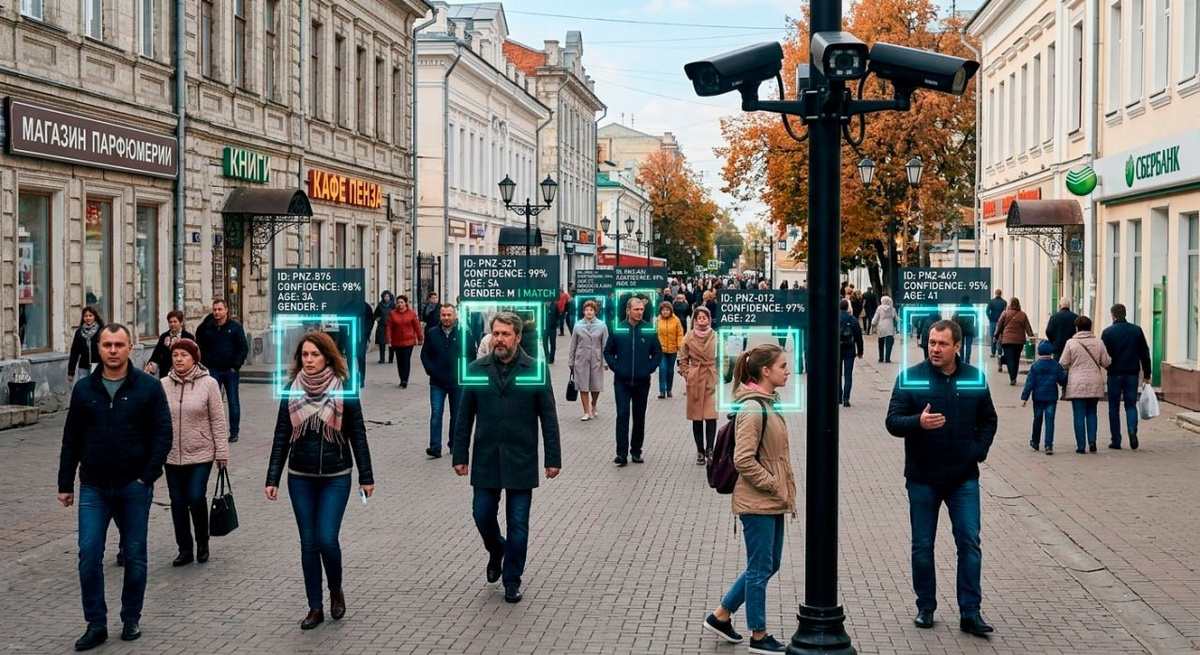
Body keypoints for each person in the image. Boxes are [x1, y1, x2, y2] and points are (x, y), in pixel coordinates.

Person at [57, 323, 173, 651]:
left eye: (118, 345)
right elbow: (71, 438)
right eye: (107, 345)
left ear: (129, 348)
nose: (112, 350)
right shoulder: (85, 390)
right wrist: (65, 482)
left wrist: (147, 476)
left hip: (133, 485)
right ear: (99, 348)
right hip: (94, 485)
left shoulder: (148, 388)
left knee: (134, 554)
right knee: (89, 554)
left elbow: (162, 434)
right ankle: (96, 623)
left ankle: (131, 617)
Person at [885, 319, 998, 637]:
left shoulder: (974, 378)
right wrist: (917, 422)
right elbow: (892, 421)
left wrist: (977, 451)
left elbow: (989, 419)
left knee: (969, 543)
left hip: (963, 478)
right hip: (923, 477)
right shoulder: (911, 378)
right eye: (931, 342)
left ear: (957, 346)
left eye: (942, 344)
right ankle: (926, 606)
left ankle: (970, 612)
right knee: (922, 545)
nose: (934, 348)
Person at [265, 331, 374, 630]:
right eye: (305, 355)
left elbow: (358, 435)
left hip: (336, 477)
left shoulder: (344, 389)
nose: (309, 360)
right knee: (308, 544)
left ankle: (335, 589)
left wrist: (366, 476)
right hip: (300, 477)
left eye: (315, 354)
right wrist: (272, 477)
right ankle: (315, 607)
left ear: (327, 357)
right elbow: (281, 436)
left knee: (326, 539)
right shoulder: (291, 390)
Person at [453, 311, 562, 604]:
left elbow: (548, 417)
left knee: (518, 524)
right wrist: (460, 454)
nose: (499, 339)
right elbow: (465, 415)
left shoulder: (534, 369)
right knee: (482, 514)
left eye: (505, 334)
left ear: (517, 337)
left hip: (520, 457)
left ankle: (512, 579)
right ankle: (496, 549)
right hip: (487, 456)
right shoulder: (476, 369)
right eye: (496, 334)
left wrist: (553, 458)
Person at [701, 344, 795, 654]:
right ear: (765, 371)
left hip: (771, 498)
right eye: (783, 366)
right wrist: (772, 484)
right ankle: (759, 635)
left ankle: (721, 615)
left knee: (769, 563)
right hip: (758, 501)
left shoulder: (768, 402)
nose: (788, 371)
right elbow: (743, 459)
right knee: (759, 567)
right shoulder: (754, 408)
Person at [160, 338, 228, 565]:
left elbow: (218, 420)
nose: (179, 359)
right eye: (175, 355)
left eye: (184, 355)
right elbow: (156, 420)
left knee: (195, 497)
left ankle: (202, 542)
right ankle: (184, 549)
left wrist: (222, 452)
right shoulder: (163, 384)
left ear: (194, 359)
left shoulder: (209, 383)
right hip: (171, 454)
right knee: (177, 502)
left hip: (201, 452)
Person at [604, 296, 662, 466]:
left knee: (639, 416)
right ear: (628, 311)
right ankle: (621, 453)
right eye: (636, 309)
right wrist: (617, 367)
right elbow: (608, 351)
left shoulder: (649, 329)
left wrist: (649, 368)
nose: (639, 312)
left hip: (642, 381)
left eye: (641, 309)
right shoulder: (618, 329)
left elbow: (657, 352)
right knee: (622, 415)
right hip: (622, 381)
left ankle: (636, 451)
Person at [195, 299, 249, 442]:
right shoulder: (208, 327)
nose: (217, 312)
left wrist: (235, 366)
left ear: (226, 310)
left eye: (219, 309)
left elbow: (243, 348)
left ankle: (234, 432)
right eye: (214, 310)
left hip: (230, 371)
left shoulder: (235, 327)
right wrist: (206, 363)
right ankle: (212, 431)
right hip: (213, 370)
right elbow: (200, 343)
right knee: (211, 403)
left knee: (233, 402)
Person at [1100, 303, 1152, 450]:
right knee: (1130, 405)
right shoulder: (1136, 330)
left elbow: (1103, 355)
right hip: (1132, 374)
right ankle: (1132, 429)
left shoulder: (1107, 332)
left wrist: (1107, 367)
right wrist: (1147, 374)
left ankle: (1116, 440)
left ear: (1113, 316)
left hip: (1114, 374)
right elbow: (1145, 353)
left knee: (1113, 407)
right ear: (1125, 314)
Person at [1060, 316, 1113, 454]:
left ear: (1077, 328)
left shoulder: (1071, 343)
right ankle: (1092, 442)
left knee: (1078, 415)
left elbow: (1063, 363)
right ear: (1090, 327)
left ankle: (1081, 446)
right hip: (1095, 382)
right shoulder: (1099, 342)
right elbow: (1106, 362)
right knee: (1092, 412)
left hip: (1076, 383)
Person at [420, 304, 463, 458]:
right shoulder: (432, 333)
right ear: (440, 316)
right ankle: (435, 446)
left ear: (454, 316)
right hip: (437, 382)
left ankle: (454, 445)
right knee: (436, 414)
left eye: (449, 315)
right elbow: (424, 355)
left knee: (456, 415)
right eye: (443, 315)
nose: (446, 318)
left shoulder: (463, 333)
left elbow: (470, 354)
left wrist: (463, 373)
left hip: (457, 382)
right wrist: (431, 370)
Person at [679, 306, 719, 465]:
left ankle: (710, 449)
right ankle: (700, 450)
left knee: (711, 416)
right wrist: (687, 374)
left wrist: (720, 374)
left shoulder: (716, 336)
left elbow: (723, 356)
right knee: (696, 417)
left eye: (705, 317)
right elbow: (683, 359)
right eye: (699, 317)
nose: (702, 320)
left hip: (711, 377)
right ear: (694, 320)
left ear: (709, 319)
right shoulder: (688, 337)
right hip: (695, 378)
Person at [1021, 340, 1067, 455]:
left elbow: (1029, 383)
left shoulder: (1035, 366)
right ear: (1051, 352)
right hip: (1051, 397)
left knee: (1037, 419)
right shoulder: (1055, 365)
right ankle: (1048, 445)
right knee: (1050, 421)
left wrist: (1024, 398)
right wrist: (1065, 375)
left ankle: (1035, 442)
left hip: (1038, 397)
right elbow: (1062, 380)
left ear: (1039, 352)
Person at [568, 300, 609, 421]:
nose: (589, 312)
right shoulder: (578, 326)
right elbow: (573, 344)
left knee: (596, 386)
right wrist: (571, 361)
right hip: (581, 360)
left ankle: (594, 403)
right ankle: (586, 411)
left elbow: (605, 345)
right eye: (586, 310)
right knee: (583, 386)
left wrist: (606, 362)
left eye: (591, 310)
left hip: (596, 360)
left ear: (595, 311)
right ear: (583, 312)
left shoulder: (602, 325)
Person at [993, 297, 1034, 386]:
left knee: (1010, 359)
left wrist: (996, 336)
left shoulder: (1005, 313)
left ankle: (1012, 378)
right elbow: (1028, 327)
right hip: (1019, 342)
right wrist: (1031, 336)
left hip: (1007, 341)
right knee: (1016, 359)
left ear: (1010, 304)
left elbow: (999, 326)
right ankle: (1014, 377)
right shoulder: (1023, 315)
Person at [144, 310, 195, 379]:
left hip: (183, 374)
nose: (172, 324)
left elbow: (193, 357)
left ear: (181, 323)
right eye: (170, 322)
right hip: (166, 374)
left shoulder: (188, 337)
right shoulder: (164, 337)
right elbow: (157, 354)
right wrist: (151, 366)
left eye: (175, 322)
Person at [385, 294, 423, 388]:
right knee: (399, 361)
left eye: (402, 302)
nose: (400, 304)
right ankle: (401, 378)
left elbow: (417, 326)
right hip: (397, 341)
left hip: (408, 341)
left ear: (406, 303)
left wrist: (420, 338)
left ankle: (405, 380)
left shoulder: (411, 313)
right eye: (398, 302)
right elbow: (389, 327)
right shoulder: (393, 313)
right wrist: (389, 339)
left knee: (406, 360)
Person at [67, 306, 104, 385]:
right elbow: (74, 353)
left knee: (96, 386)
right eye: (86, 316)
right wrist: (71, 372)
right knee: (83, 386)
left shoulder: (101, 331)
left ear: (95, 317)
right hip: (83, 366)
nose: (88, 318)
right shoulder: (79, 332)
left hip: (98, 365)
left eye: (90, 316)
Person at [656, 301, 685, 399]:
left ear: (670, 311)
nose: (665, 312)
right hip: (661, 349)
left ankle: (669, 389)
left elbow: (680, 334)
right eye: (663, 310)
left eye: (667, 310)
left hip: (673, 349)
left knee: (670, 370)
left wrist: (680, 347)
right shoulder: (657, 320)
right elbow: (654, 334)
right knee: (662, 369)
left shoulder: (676, 320)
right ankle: (662, 390)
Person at [838, 298, 863, 407]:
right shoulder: (852, 319)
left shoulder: (834, 318)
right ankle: (846, 399)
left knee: (837, 374)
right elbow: (858, 337)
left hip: (837, 350)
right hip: (849, 349)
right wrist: (860, 351)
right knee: (848, 375)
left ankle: (838, 397)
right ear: (848, 307)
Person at [1043, 297, 1078, 362]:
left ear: (1060, 306)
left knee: (1057, 365)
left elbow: (1048, 331)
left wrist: (1053, 341)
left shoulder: (1054, 317)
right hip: (1072, 347)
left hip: (1058, 347)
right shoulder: (1075, 317)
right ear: (1069, 306)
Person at [871, 295, 899, 363]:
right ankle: (887, 358)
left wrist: (873, 324)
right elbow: (896, 318)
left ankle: (881, 357)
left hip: (881, 326)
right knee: (889, 343)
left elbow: (876, 317)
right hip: (890, 326)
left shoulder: (879, 308)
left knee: (881, 342)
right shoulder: (892, 309)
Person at [952, 297, 978, 365]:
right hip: (970, 330)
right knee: (968, 346)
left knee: (961, 345)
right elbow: (976, 317)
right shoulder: (972, 308)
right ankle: (967, 361)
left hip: (961, 330)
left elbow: (954, 318)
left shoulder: (959, 308)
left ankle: (962, 360)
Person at [373, 291, 396, 364]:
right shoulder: (380, 305)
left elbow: (397, 314)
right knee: (382, 343)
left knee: (391, 343)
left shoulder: (393, 305)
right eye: (385, 297)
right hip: (382, 326)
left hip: (391, 326)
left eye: (388, 296)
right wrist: (377, 318)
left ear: (390, 297)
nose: (386, 298)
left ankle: (391, 358)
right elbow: (375, 314)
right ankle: (382, 359)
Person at [986, 289, 1007, 364]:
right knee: (1000, 337)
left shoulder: (991, 302)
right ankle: (999, 352)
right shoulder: (1004, 302)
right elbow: (1005, 311)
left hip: (993, 321)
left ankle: (993, 352)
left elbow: (987, 311)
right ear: (1001, 294)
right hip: (1001, 322)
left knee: (993, 336)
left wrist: (990, 317)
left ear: (995, 293)